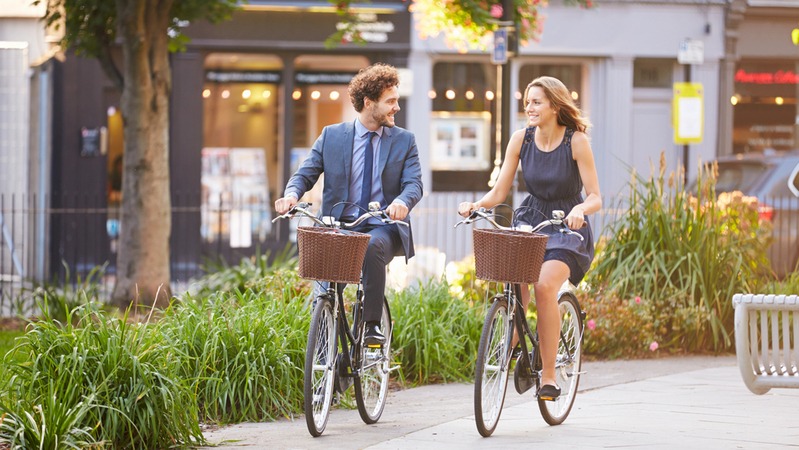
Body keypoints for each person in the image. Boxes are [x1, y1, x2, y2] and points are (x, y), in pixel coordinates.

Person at [458, 76, 601, 401]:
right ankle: (515, 344)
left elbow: (596, 197)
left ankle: (548, 376)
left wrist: (580, 208)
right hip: (530, 220)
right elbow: (499, 192)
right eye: (527, 102)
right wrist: (476, 205)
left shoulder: (575, 141)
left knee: (545, 285)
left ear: (554, 104)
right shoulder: (520, 140)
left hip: (566, 226)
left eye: (536, 102)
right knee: (514, 284)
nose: (529, 107)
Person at [275, 63, 423, 346]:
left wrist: (403, 202)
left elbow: (414, 184)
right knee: (324, 294)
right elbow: (305, 173)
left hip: (383, 227)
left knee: (371, 245)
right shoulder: (332, 136)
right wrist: (292, 195)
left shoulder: (405, 141)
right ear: (369, 103)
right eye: (390, 101)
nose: (397, 108)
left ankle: (371, 327)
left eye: (397, 100)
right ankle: (327, 360)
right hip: (337, 225)